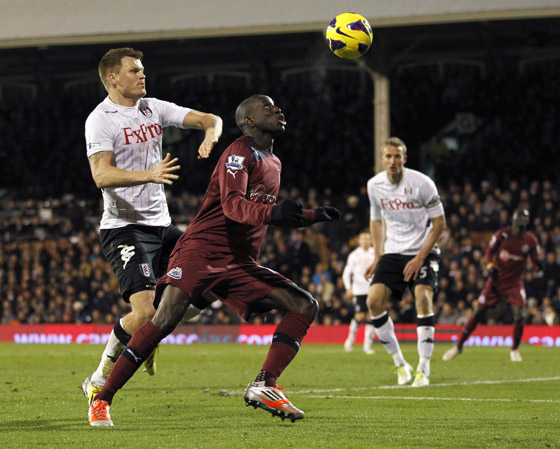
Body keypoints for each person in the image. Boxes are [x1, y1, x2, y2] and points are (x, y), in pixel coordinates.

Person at [86, 94, 341, 426]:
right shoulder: (239, 152)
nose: (277, 109)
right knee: (162, 320)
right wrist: (275, 213)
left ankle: (264, 383)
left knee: (304, 305)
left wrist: (311, 216)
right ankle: (101, 398)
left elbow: (265, 212)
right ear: (249, 120)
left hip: (238, 261)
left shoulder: (273, 161)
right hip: (202, 251)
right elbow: (234, 206)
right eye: (267, 107)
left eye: (277, 105)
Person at [82, 47, 223, 405]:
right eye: (134, 70)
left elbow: (212, 118)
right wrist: (150, 174)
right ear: (113, 78)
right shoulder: (100, 119)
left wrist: (210, 133)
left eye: (142, 69)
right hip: (125, 228)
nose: (142, 75)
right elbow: (101, 175)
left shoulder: (152, 108)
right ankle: (97, 377)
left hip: (162, 225)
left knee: (214, 281)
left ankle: (152, 333)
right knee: (145, 311)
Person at [364, 137, 445, 387]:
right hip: (393, 252)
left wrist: (420, 257)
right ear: (382, 159)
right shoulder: (374, 185)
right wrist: (377, 256)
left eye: (397, 156)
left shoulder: (422, 183)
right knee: (373, 302)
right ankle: (401, 363)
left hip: (422, 250)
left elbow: (439, 223)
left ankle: (423, 367)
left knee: (423, 298)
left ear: (404, 159)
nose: (392, 161)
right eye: (388, 156)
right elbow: (375, 221)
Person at [443, 207, 541, 362]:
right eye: (519, 218)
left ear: (527, 222)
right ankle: (458, 346)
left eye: (524, 219)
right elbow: (489, 252)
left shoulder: (530, 241)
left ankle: (514, 350)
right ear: (513, 220)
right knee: (478, 312)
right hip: (496, 281)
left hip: (514, 283)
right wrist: (490, 266)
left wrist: (538, 267)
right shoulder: (502, 235)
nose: (520, 222)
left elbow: (536, 263)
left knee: (520, 315)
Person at [343, 230, 376, 354]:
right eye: (363, 239)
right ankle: (350, 340)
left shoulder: (375, 253)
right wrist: (348, 288)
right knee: (360, 316)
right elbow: (347, 273)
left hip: (372, 289)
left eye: (368, 239)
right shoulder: (354, 255)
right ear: (359, 241)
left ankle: (367, 345)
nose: (366, 241)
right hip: (359, 290)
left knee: (371, 317)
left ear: (371, 240)